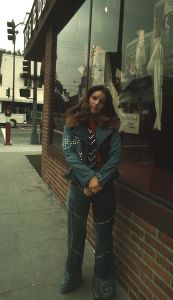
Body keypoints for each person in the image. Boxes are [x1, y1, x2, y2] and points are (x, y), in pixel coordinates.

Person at [61, 85, 122, 300]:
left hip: (104, 188)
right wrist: (89, 178)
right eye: (94, 98)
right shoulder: (73, 121)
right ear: (88, 98)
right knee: (75, 235)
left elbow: (115, 157)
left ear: (106, 105)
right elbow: (69, 152)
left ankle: (103, 283)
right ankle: (72, 276)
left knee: (103, 237)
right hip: (79, 186)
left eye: (102, 101)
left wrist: (99, 180)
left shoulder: (112, 126)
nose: (97, 103)